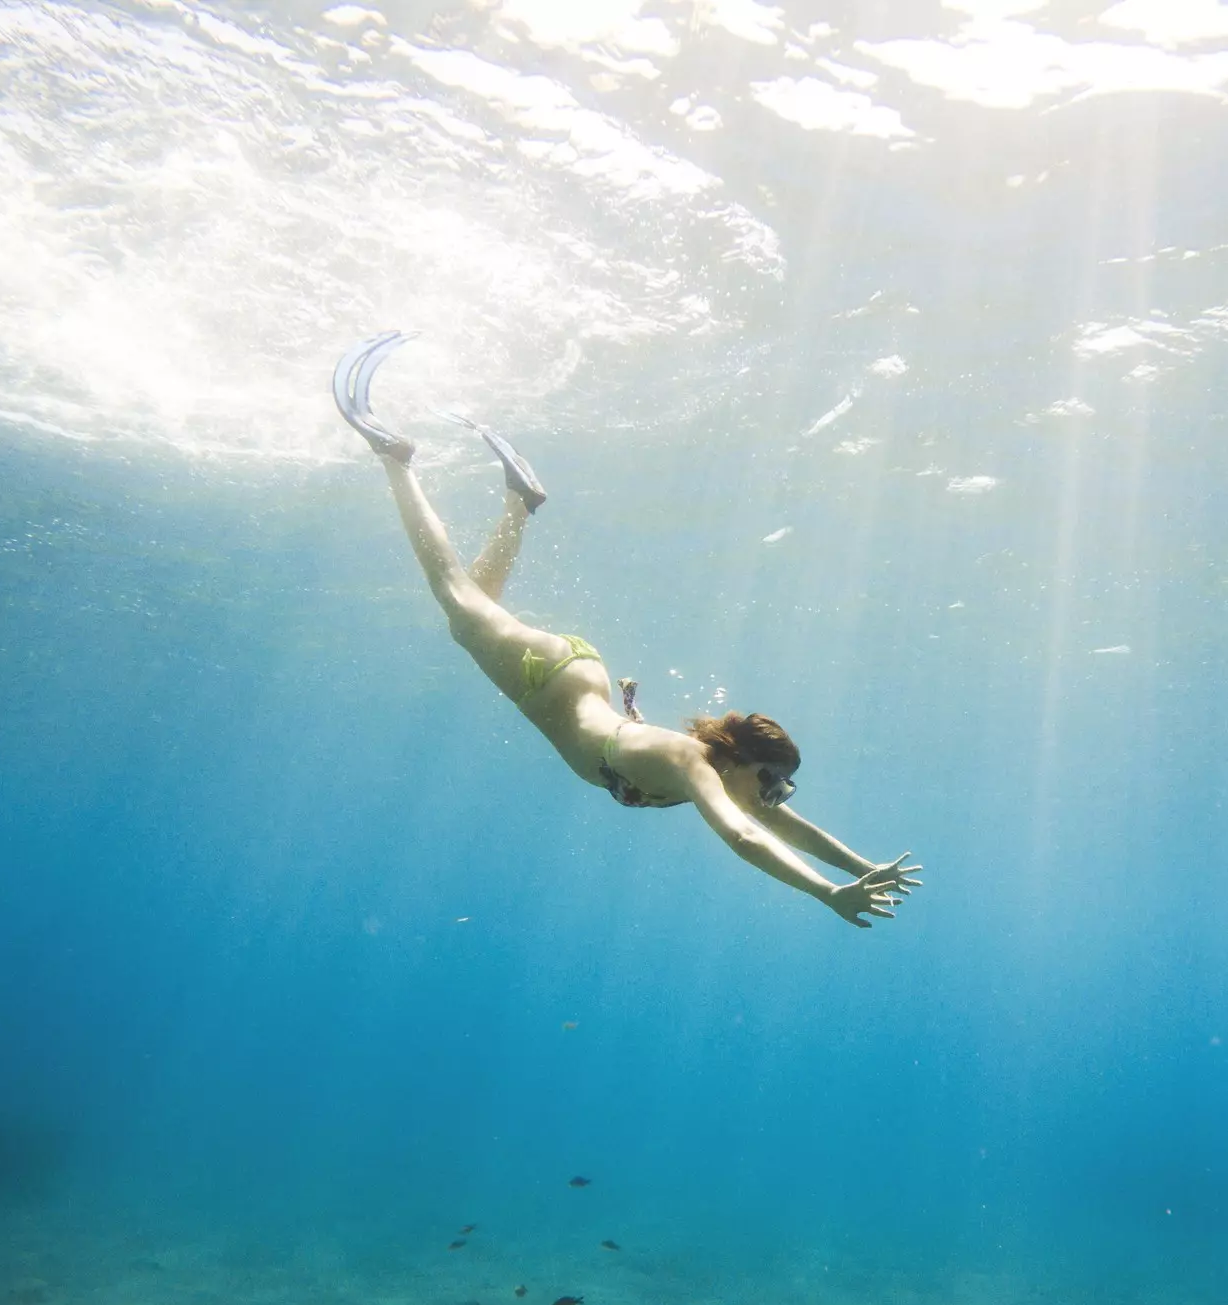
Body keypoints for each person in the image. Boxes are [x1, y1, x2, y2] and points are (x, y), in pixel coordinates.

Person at [332, 333, 921, 928]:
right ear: (737, 760)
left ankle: (518, 502)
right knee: (457, 597)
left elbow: (775, 821)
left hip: (573, 673)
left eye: (781, 788)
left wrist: (861, 868)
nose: (772, 796)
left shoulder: (718, 775)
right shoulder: (692, 764)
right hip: (548, 680)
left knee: (473, 611)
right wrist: (827, 894)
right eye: (770, 781)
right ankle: (394, 457)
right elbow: (745, 837)